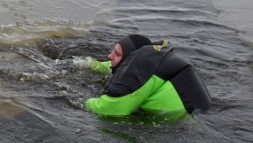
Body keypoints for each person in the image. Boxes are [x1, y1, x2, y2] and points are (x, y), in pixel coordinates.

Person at [84, 34, 212, 117]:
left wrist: (81, 101)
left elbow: (109, 109)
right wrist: (85, 64)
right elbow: (111, 65)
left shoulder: (141, 72)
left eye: (117, 54)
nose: (110, 56)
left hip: (182, 122)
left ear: (130, 59)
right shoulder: (151, 61)